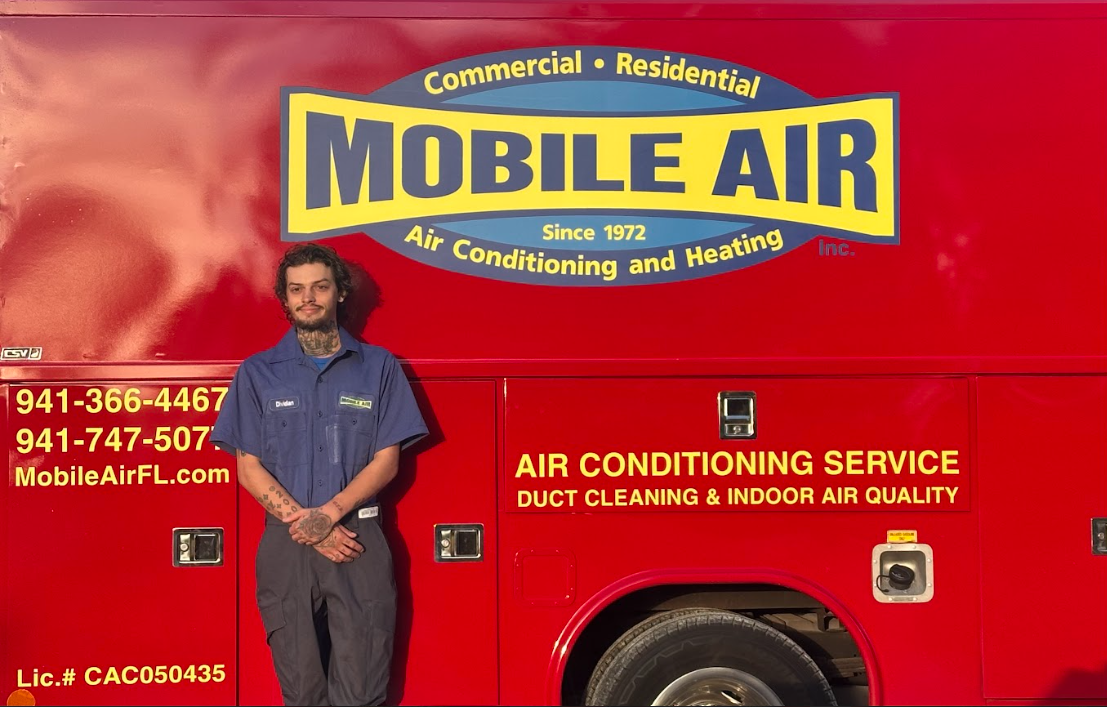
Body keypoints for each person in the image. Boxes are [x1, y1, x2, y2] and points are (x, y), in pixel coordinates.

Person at [211, 242, 428, 706]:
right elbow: (248, 467)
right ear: (285, 300)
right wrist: (308, 527)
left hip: (358, 540)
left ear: (339, 294)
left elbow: (386, 460)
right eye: (297, 289)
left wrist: (328, 517)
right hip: (287, 549)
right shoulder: (257, 374)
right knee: (302, 692)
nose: (308, 297)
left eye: (320, 287)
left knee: (363, 692)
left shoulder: (379, 369)